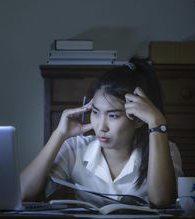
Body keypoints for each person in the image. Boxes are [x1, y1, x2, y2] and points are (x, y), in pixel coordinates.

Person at [20, 58, 183, 208]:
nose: (101, 127)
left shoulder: (164, 149)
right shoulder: (76, 148)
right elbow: (23, 194)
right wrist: (59, 134)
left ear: (139, 119)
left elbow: (162, 201)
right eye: (96, 112)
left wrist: (156, 122)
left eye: (113, 116)